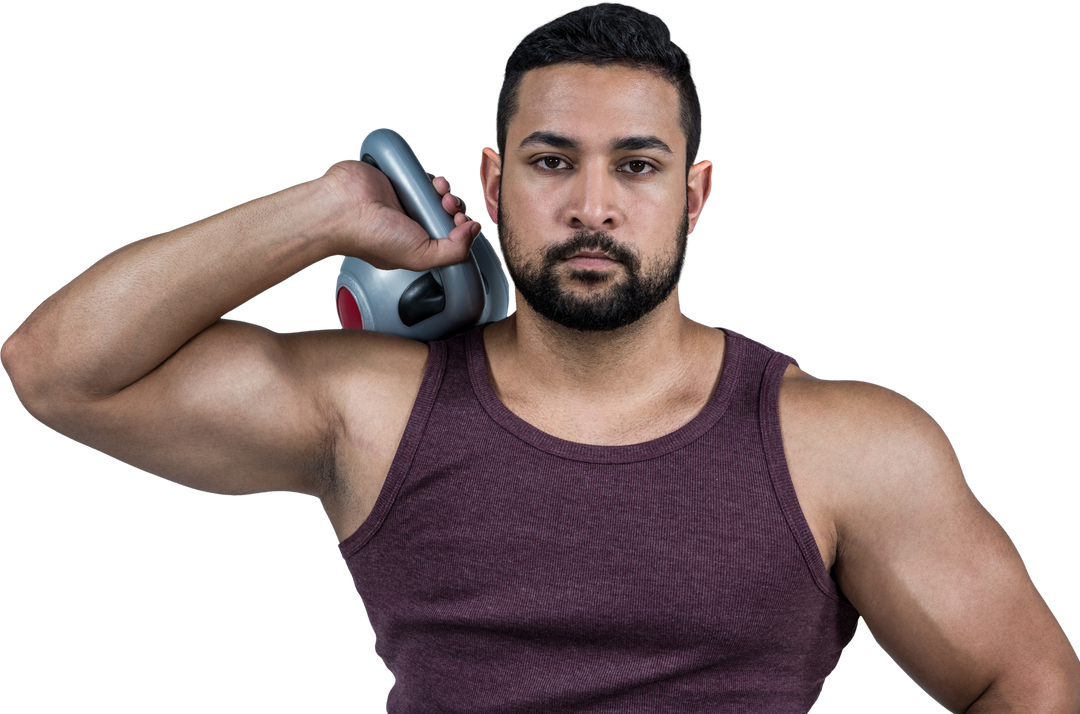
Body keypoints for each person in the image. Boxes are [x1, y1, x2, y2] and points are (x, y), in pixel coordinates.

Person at [2, 1, 1077, 711]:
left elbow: (1023, 677)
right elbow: (56, 369)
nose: (594, 206)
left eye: (638, 166)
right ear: (494, 181)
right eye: (552, 161)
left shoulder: (844, 441)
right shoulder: (372, 408)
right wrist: (324, 210)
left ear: (694, 196)